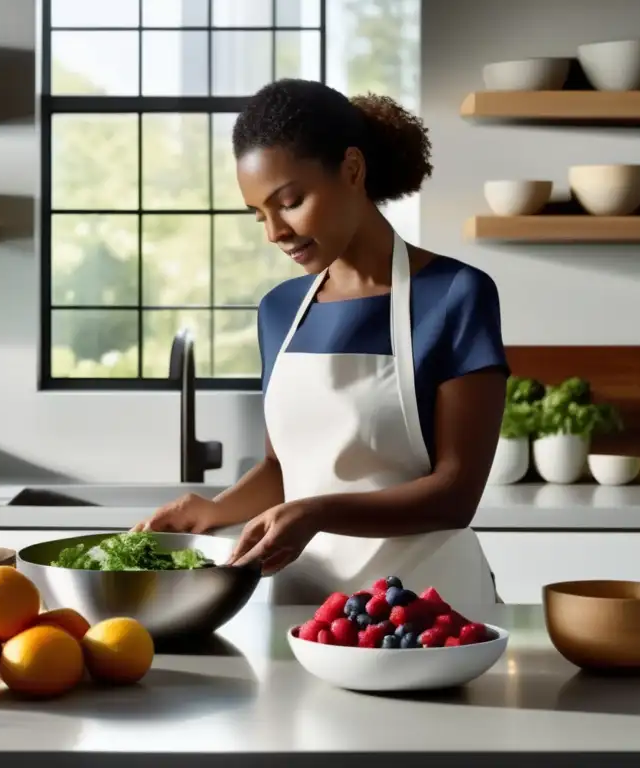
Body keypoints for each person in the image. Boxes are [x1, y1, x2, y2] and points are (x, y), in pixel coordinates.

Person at [133, 78, 509, 609]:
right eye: (259, 214)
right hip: (311, 606)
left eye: (289, 202)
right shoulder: (279, 310)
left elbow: (456, 495)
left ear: (352, 170)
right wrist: (213, 510)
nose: (275, 232)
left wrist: (316, 513)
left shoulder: (454, 294)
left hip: (430, 606)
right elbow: (285, 469)